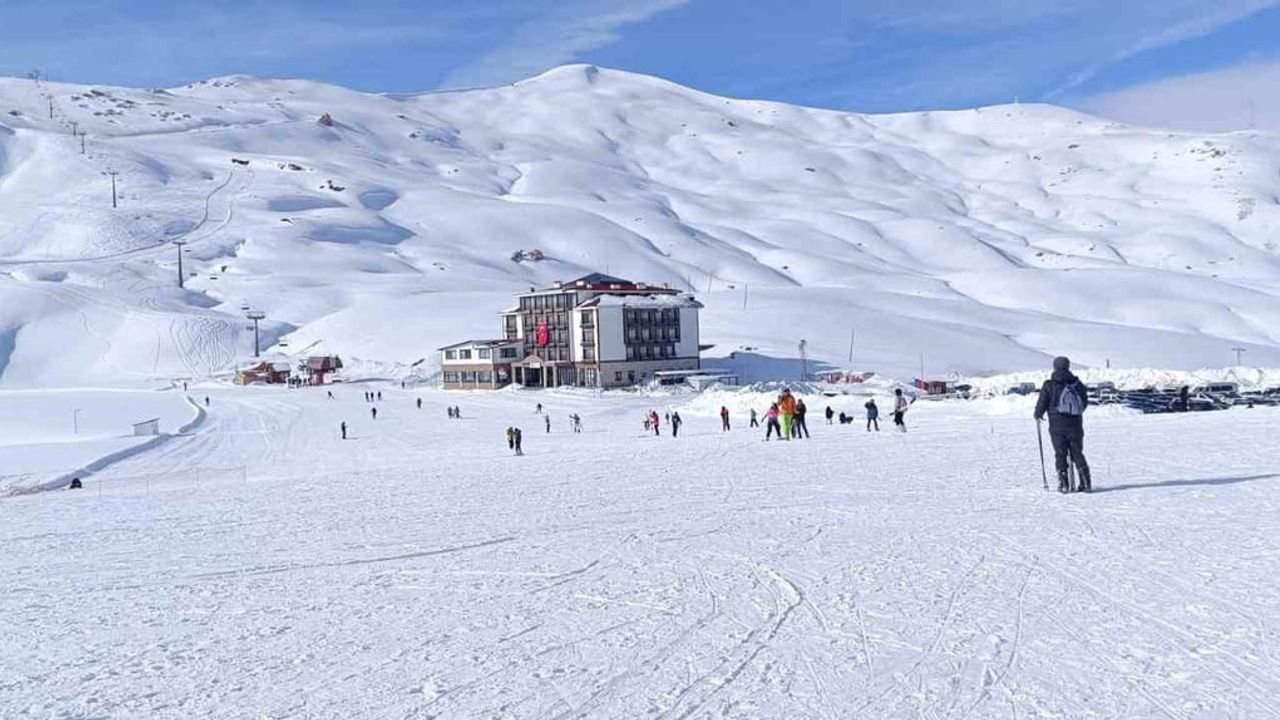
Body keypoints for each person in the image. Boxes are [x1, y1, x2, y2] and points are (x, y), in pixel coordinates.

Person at [1034, 356, 1092, 493]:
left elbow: (1042, 402)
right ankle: (1086, 482)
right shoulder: (1077, 383)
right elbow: (1084, 402)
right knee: (1077, 452)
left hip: (1056, 424)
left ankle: (1064, 484)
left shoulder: (1049, 384)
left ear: (1055, 367)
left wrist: (1038, 414)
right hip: (1075, 424)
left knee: (1060, 453)